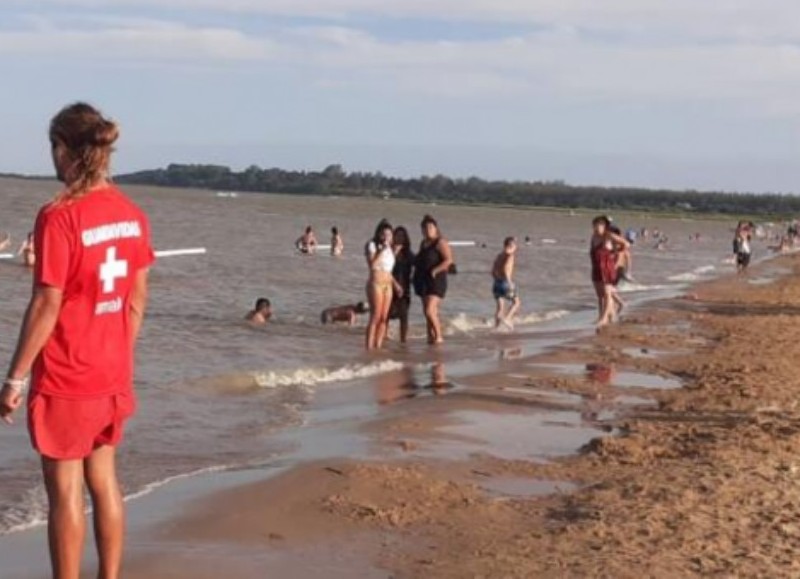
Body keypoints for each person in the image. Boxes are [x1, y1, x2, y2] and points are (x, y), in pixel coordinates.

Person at [0, 103, 154, 579]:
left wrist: (15, 377)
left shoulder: (58, 216)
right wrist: (119, 361)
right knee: (104, 480)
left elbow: (47, 303)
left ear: (64, 150)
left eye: (53, 147)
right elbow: (136, 300)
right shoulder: (133, 215)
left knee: (65, 489)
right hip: (111, 372)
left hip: (67, 374)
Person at [414, 215, 453, 345]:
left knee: (430, 310)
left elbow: (448, 260)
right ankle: (430, 337)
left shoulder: (440, 242)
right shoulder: (423, 243)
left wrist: (435, 270)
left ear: (436, 228)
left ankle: (439, 336)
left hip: (437, 280)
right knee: (427, 312)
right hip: (423, 280)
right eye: (425, 228)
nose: (427, 230)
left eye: (430, 227)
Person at [590, 215, 629, 328]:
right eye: (596, 224)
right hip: (596, 268)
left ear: (605, 226)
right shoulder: (593, 237)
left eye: (601, 224)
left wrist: (615, 252)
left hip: (607, 268)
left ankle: (604, 318)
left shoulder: (609, 236)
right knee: (600, 295)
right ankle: (602, 315)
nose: (598, 227)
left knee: (607, 293)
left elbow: (626, 244)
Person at [365, 220, 398, 350]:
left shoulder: (391, 249)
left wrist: (396, 285)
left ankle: (378, 346)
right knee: (375, 316)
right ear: (379, 234)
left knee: (384, 317)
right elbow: (372, 265)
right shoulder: (372, 245)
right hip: (376, 283)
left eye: (389, 235)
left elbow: (389, 271)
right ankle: (369, 347)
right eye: (384, 234)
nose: (386, 237)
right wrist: (382, 249)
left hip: (387, 284)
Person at [389, 226, 414, 344]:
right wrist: (394, 252)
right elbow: (385, 267)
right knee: (386, 315)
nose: (399, 238)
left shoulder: (409, 254)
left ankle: (403, 340)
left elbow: (418, 265)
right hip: (389, 287)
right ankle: (384, 337)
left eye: (402, 236)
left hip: (404, 288)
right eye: (397, 235)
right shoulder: (388, 251)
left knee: (404, 316)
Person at [492, 237, 522, 329]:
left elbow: (493, 270)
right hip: (505, 282)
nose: (516, 246)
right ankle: (508, 318)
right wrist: (509, 282)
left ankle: (496, 327)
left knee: (500, 308)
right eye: (515, 244)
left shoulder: (499, 255)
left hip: (497, 283)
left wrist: (497, 278)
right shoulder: (510, 255)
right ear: (511, 245)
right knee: (516, 302)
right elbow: (505, 269)